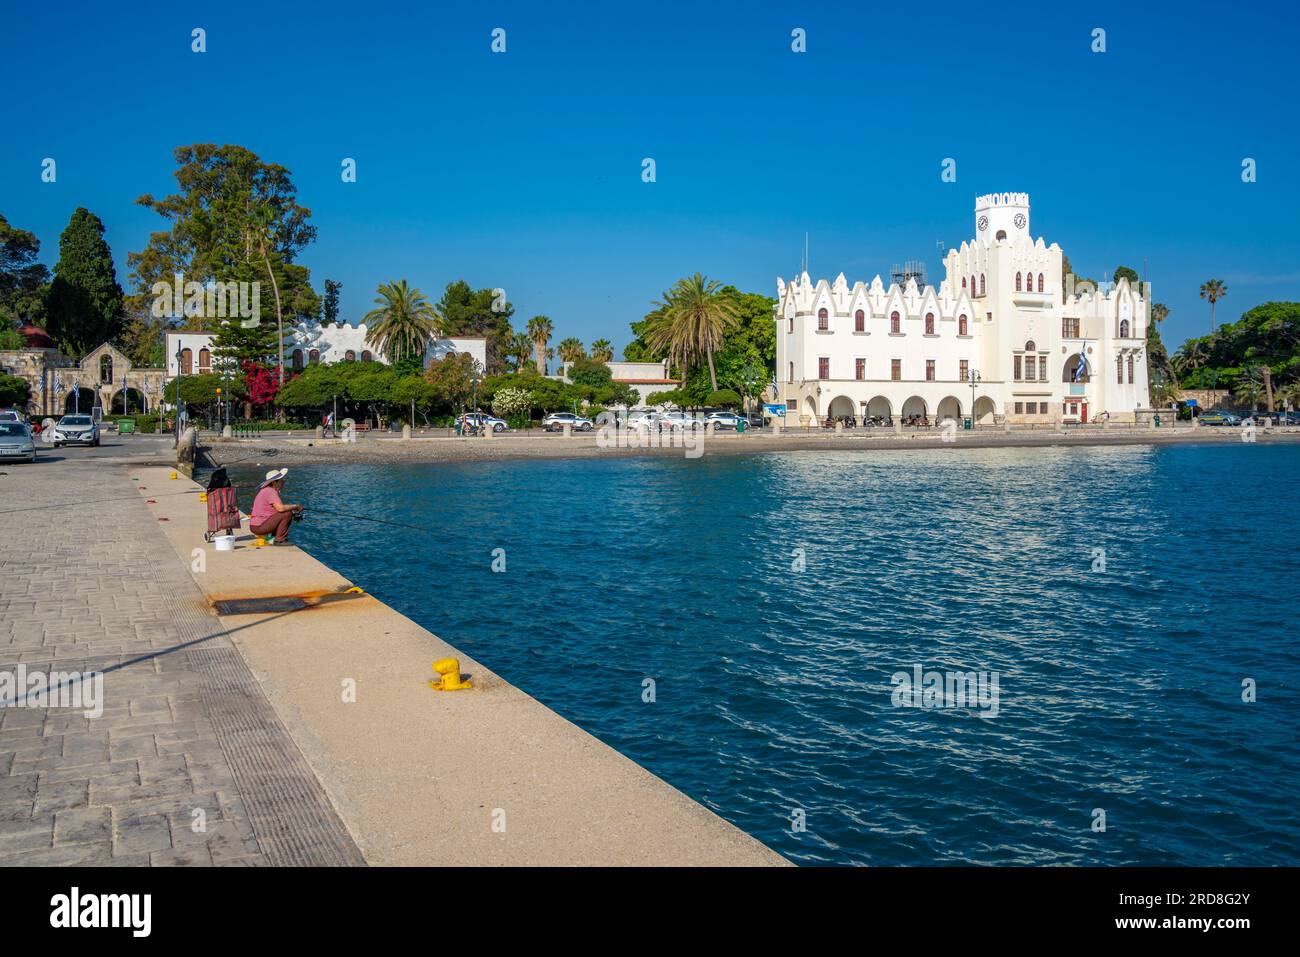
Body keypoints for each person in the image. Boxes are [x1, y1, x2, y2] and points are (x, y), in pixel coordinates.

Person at [250, 468, 303, 544]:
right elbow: (281, 509)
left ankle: (275, 537)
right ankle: (279, 540)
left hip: (256, 526)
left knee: (288, 512)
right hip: (259, 527)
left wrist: (293, 511)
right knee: (287, 513)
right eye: (281, 480)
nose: (283, 482)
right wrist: (296, 506)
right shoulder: (270, 491)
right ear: (275, 482)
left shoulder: (266, 490)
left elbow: (274, 511)